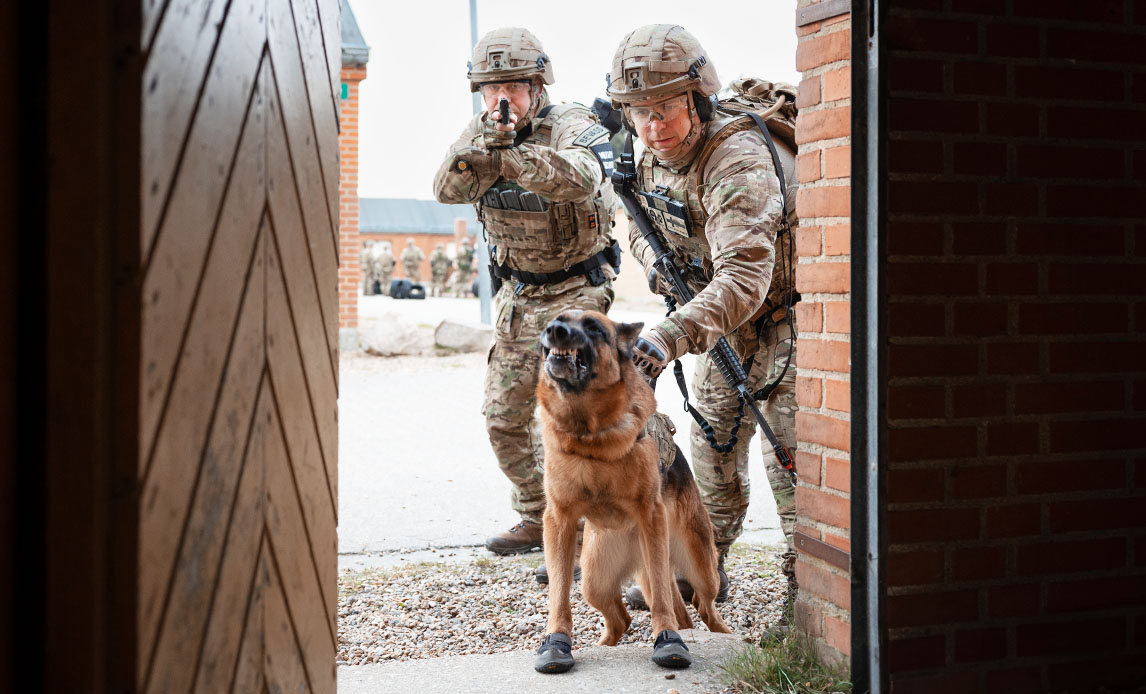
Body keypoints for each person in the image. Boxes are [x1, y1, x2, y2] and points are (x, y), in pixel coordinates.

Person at [608, 25, 798, 612]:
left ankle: (811, 593)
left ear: (695, 97)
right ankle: (700, 570)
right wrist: (663, 270)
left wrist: (670, 333)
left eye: (664, 109)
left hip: (786, 317)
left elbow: (743, 278)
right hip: (716, 323)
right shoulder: (643, 153)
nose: (652, 127)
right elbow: (640, 232)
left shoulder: (735, 158)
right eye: (638, 113)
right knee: (712, 448)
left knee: (792, 460)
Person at [433, 27, 619, 555]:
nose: (500, 98)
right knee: (503, 418)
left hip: (577, 290)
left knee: (572, 420)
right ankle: (540, 518)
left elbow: (582, 178)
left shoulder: (573, 125)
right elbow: (445, 189)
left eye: (513, 85)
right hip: (520, 295)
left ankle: (587, 534)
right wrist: (482, 149)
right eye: (490, 88)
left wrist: (510, 156)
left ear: (538, 85)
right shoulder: (481, 130)